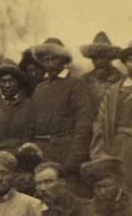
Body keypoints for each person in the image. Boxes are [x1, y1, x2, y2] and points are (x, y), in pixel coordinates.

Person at [27, 38, 95, 196]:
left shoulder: (76, 84)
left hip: (65, 154)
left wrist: (74, 160)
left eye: (54, 59)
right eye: (46, 60)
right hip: (42, 155)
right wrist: (30, 152)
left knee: (66, 198)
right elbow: (30, 124)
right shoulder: (39, 88)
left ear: (63, 60)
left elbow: (84, 124)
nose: (50, 64)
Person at [91, 39, 132, 198]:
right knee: (123, 195)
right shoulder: (114, 91)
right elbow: (100, 125)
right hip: (121, 152)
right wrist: (101, 156)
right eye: (130, 60)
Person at [80, 31, 125, 109]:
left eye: (103, 57)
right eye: (95, 58)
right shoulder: (84, 81)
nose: (99, 62)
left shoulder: (122, 80)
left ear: (110, 57)